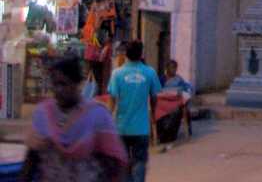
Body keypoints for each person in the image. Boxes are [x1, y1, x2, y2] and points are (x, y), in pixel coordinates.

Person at [22, 54, 127, 182]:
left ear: (77, 83)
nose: (58, 90)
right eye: (55, 84)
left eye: (64, 84)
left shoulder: (97, 115)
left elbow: (114, 161)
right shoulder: (43, 113)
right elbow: (32, 158)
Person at [107, 40, 160, 182]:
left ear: (126, 54)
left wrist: (107, 121)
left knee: (123, 164)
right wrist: (153, 115)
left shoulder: (117, 74)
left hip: (121, 127)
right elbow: (154, 98)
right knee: (139, 162)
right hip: (142, 128)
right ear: (141, 53)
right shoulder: (150, 72)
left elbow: (112, 100)